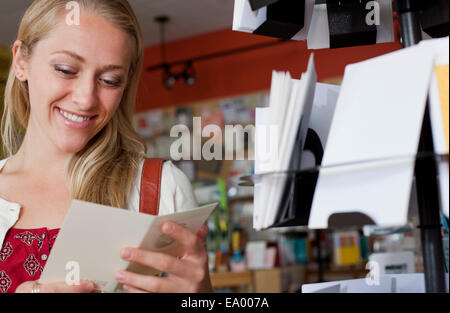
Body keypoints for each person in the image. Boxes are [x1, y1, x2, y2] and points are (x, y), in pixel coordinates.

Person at [0, 0, 213, 293]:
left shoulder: (161, 187)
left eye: (110, 80)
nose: (86, 99)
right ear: (21, 61)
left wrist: (200, 297)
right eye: (65, 69)